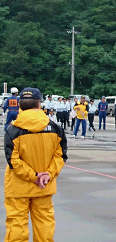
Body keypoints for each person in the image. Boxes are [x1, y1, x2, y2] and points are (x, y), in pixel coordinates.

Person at [3, 87, 67, 242]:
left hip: (18, 187)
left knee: (16, 227)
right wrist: (47, 174)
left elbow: (13, 161)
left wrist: (33, 176)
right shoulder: (55, 128)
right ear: (39, 104)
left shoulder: (13, 129)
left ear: (20, 105)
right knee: (44, 226)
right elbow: (61, 156)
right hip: (44, 186)